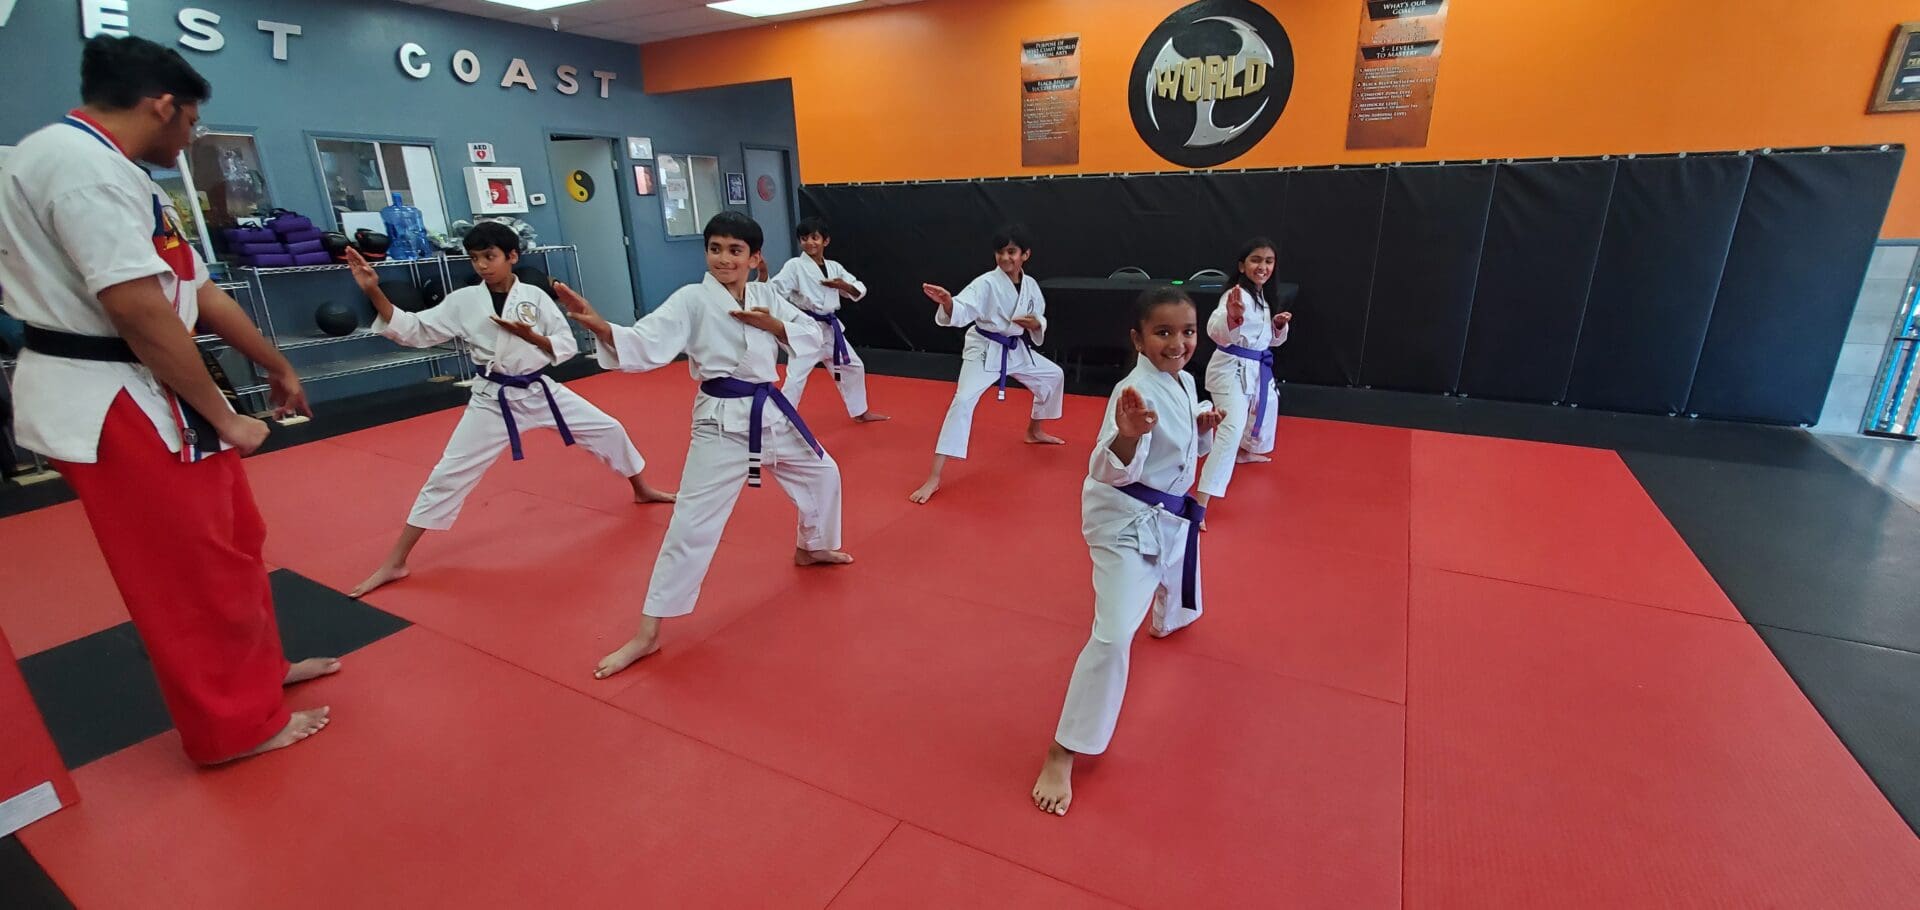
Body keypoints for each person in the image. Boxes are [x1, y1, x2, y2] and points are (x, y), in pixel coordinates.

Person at [0, 36, 333, 764]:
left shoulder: (118, 172)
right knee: (184, 574)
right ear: (163, 105)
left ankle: (259, 676)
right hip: (113, 395)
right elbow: (137, 309)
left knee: (234, 543)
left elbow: (194, 288)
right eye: (191, 124)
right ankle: (232, 728)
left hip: (154, 387)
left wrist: (272, 363)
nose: (191, 139)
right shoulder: (78, 168)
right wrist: (223, 415)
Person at [563, 212, 853, 680]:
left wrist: (775, 327)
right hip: (720, 424)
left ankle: (811, 547)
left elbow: (809, 333)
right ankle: (647, 633)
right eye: (715, 248)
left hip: (770, 412)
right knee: (691, 524)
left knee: (824, 473)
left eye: (735, 250)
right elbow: (647, 340)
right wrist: (602, 328)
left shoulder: (766, 294)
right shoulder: (692, 300)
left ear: (754, 257)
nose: (723, 258)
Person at [344, 223, 674, 598]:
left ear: (512, 256)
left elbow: (565, 342)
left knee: (609, 429)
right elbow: (416, 329)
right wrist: (373, 290)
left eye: (490, 256)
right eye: (475, 259)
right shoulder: (464, 301)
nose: (483, 265)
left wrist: (532, 338)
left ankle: (642, 488)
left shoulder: (535, 296)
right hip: (492, 399)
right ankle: (396, 561)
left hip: (538, 390)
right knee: (448, 474)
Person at [1032, 286, 1223, 816]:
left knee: (1180, 584)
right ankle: (1063, 750)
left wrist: (1202, 432)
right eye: (1164, 333)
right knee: (1115, 635)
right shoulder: (1131, 394)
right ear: (1138, 338)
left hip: (1166, 512)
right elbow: (1104, 466)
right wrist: (1125, 437)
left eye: (1187, 332)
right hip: (1124, 520)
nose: (1179, 343)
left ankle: (1171, 614)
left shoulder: (1183, 381)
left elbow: (1182, 454)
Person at [910, 225, 1066, 504]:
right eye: (1000, 252)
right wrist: (948, 302)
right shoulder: (985, 283)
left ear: (1025, 255)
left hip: (1015, 349)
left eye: (1011, 252)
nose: (1005, 258)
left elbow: (1039, 316)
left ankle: (1034, 430)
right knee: (963, 400)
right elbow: (963, 308)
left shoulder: (1030, 286)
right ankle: (934, 477)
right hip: (984, 349)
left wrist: (1036, 323)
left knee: (1053, 375)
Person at [1194, 238, 1291, 525]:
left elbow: (1266, 341)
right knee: (1230, 431)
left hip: (1253, 367)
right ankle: (1200, 502)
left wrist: (1277, 326)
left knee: (1266, 405)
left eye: (1268, 261)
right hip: (1230, 370)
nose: (1262, 266)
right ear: (1242, 265)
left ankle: (1247, 451)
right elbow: (1215, 328)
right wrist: (1233, 319)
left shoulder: (1261, 297)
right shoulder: (1234, 296)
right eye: (1256, 260)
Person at [769, 217, 888, 422]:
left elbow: (858, 287)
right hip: (807, 329)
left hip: (830, 330)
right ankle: (782, 421)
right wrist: (788, 318)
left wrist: (843, 286)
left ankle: (860, 411)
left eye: (814, 237)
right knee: (796, 376)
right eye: (804, 238)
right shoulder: (795, 266)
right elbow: (775, 290)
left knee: (854, 366)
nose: (809, 243)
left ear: (826, 241)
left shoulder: (834, 267)